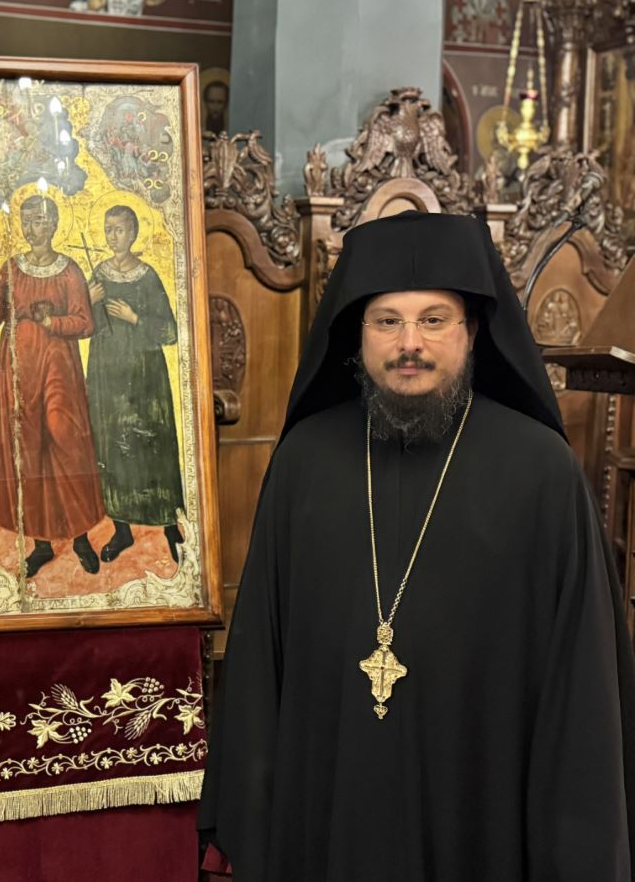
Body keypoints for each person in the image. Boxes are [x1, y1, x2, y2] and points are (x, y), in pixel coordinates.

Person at [198, 211, 635, 880]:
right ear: (357, 332)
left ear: (472, 330)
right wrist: (250, 807)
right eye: (388, 321)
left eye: (434, 319)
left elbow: (582, 685)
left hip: (483, 812)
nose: (411, 343)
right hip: (330, 802)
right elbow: (262, 653)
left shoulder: (541, 471)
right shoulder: (304, 462)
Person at [0, 195, 105, 577]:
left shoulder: (69, 271)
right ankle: (41, 544)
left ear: (53, 224)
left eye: (39, 220)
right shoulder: (12, 268)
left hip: (58, 369)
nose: (32, 228)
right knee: (28, 450)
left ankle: (80, 537)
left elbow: (86, 323)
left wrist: (51, 323)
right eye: (26, 221)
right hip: (18, 371)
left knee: (66, 443)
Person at [85, 204, 184, 563]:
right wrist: (88, 301)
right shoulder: (99, 273)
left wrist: (134, 317)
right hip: (107, 376)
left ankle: (170, 526)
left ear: (133, 233)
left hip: (145, 379)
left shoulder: (148, 276)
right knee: (112, 448)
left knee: (153, 447)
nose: (113, 236)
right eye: (108, 229)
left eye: (120, 229)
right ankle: (121, 529)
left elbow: (169, 331)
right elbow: (86, 326)